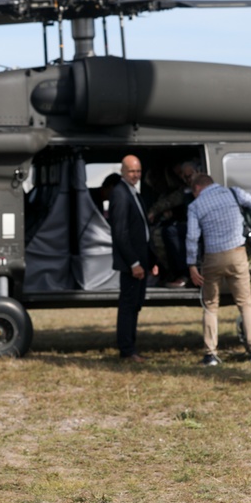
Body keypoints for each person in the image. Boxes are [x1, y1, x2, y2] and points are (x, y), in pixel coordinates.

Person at [186, 173, 251, 366]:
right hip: (237, 254)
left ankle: (210, 354)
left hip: (212, 257)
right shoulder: (234, 193)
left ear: (197, 189)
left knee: (210, 305)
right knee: (245, 304)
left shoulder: (195, 206)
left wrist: (192, 265)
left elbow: (192, 237)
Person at [110, 155, 157, 362]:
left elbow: (143, 231)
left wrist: (151, 261)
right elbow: (120, 233)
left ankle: (131, 348)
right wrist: (134, 263)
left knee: (136, 304)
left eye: (138, 171)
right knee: (128, 306)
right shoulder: (120, 194)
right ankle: (126, 350)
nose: (135, 175)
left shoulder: (134, 194)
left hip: (141, 261)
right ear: (122, 171)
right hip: (132, 264)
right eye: (131, 171)